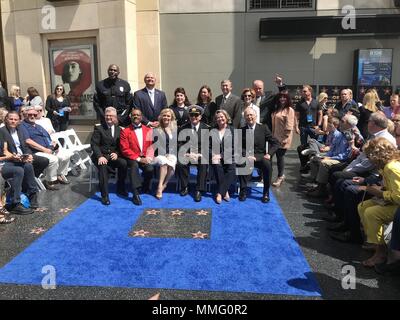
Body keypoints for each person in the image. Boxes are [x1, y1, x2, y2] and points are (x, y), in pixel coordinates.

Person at [358, 137, 400, 267]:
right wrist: (381, 190)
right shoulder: (387, 166)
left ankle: (380, 253)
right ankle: (375, 242)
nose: (369, 158)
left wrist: (379, 193)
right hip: (393, 202)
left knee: (372, 213)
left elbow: (398, 196)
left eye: (369, 155)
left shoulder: (391, 168)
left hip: (398, 205)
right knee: (363, 206)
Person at [21, 107, 72, 190]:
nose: (33, 116)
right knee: (53, 159)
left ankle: (59, 174)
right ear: (26, 115)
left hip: (49, 148)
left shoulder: (38, 126)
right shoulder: (23, 126)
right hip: (36, 151)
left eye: (35, 114)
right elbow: (28, 141)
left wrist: (54, 145)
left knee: (66, 155)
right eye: (30, 114)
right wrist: (44, 150)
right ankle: (49, 181)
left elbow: (48, 137)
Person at [0, 111, 40, 214]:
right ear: (6, 120)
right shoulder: (2, 132)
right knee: (18, 170)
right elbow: (4, 153)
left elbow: (24, 146)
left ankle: (32, 194)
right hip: (5, 163)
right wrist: (14, 157)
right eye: (11, 119)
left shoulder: (19, 130)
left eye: (15, 119)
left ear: (19, 121)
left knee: (28, 166)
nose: (13, 121)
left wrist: (28, 155)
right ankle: (15, 203)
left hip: (15, 159)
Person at [238, 107, 280, 203]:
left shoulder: (263, 128)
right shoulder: (241, 130)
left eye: (251, 115)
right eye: (247, 115)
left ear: (256, 116)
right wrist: (246, 155)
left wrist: (269, 154)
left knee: (267, 165)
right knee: (241, 163)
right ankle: (243, 191)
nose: (249, 117)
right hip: (247, 156)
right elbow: (238, 146)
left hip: (260, 156)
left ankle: (265, 193)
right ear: (245, 118)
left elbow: (276, 143)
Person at [90, 107, 128, 205]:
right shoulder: (99, 128)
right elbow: (94, 144)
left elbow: (122, 146)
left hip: (113, 156)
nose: (108, 117)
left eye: (111, 116)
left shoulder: (120, 129)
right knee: (103, 165)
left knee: (123, 163)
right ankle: (105, 196)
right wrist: (100, 156)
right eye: (107, 115)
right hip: (101, 156)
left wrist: (117, 154)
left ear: (115, 117)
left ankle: (120, 188)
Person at [120, 109, 154, 205]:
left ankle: (145, 186)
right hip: (131, 158)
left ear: (141, 117)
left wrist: (149, 157)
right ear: (130, 117)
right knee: (134, 166)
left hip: (145, 157)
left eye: (138, 115)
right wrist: (139, 158)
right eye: (134, 115)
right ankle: (135, 194)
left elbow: (151, 146)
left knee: (150, 169)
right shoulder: (125, 131)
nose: (136, 116)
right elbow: (125, 149)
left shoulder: (148, 130)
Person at [176, 105, 210, 202]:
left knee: (204, 163)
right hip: (187, 154)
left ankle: (199, 189)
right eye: (191, 115)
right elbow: (179, 143)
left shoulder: (206, 128)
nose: (193, 117)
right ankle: (185, 186)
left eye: (196, 115)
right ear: (189, 116)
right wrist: (187, 153)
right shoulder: (183, 128)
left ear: (200, 117)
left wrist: (200, 154)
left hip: (200, 155)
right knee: (181, 162)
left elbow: (208, 144)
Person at [210, 110, 237, 203]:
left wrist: (222, 155)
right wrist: (213, 154)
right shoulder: (212, 130)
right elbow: (208, 146)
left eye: (222, 117)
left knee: (231, 168)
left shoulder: (233, 130)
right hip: (215, 156)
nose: (220, 119)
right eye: (217, 117)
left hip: (229, 155)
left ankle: (220, 192)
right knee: (216, 165)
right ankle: (225, 192)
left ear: (226, 118)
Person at [270, 92, 295, 187]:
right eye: (280, 97)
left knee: (280, 157)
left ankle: (280, 176)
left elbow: (289, 126)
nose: (282, 99)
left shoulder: (290, 110)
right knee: (271, 157)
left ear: (287, 99)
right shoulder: (277, 109)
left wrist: (285, 138)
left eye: (284, 97)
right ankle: (268, 176)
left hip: (283, 138)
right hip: (274, 137)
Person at [152, 108, 178, 200]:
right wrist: (164, 153)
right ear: (161, 117)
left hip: (171, 153)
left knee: (173, 160)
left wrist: (171, 153)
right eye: (164, 115)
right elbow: (155, 144)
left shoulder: (175, 129)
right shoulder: (156, 129)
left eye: (168, 116)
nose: (166, 117)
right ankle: (160, 186)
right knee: (164, 162)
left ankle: (165, 184)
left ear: (171, 118)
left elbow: (176, 144)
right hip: (159, 154)